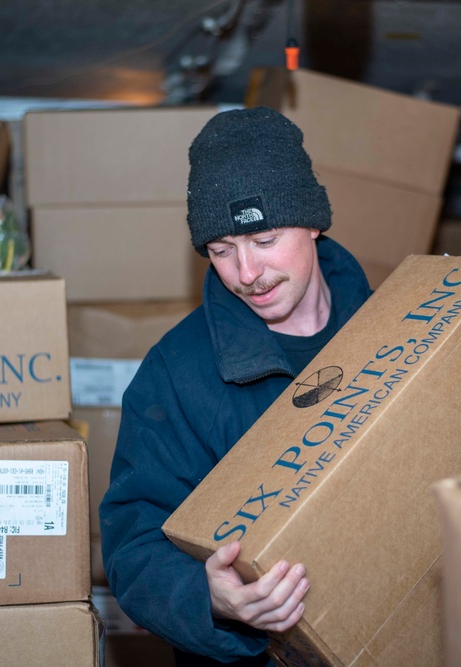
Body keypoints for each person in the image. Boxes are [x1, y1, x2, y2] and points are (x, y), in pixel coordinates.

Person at [99, 107, 372, 666]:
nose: (247, 272)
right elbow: (133, 546)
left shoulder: (394, 330)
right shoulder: (175, 374)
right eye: (222, 249)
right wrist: (210, 598)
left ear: (314, 221)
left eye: (264, 239)